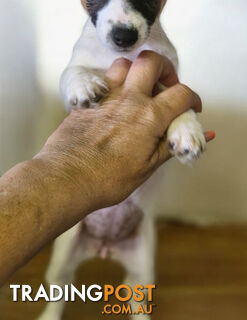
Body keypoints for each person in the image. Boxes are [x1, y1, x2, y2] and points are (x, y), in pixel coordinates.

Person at [0, 51, 214, 284]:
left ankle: (139, 310)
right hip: (82, 221)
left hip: (133, 222)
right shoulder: (86, 59)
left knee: (142, 282)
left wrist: (181, 122)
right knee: (57, 274)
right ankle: (53, 309)